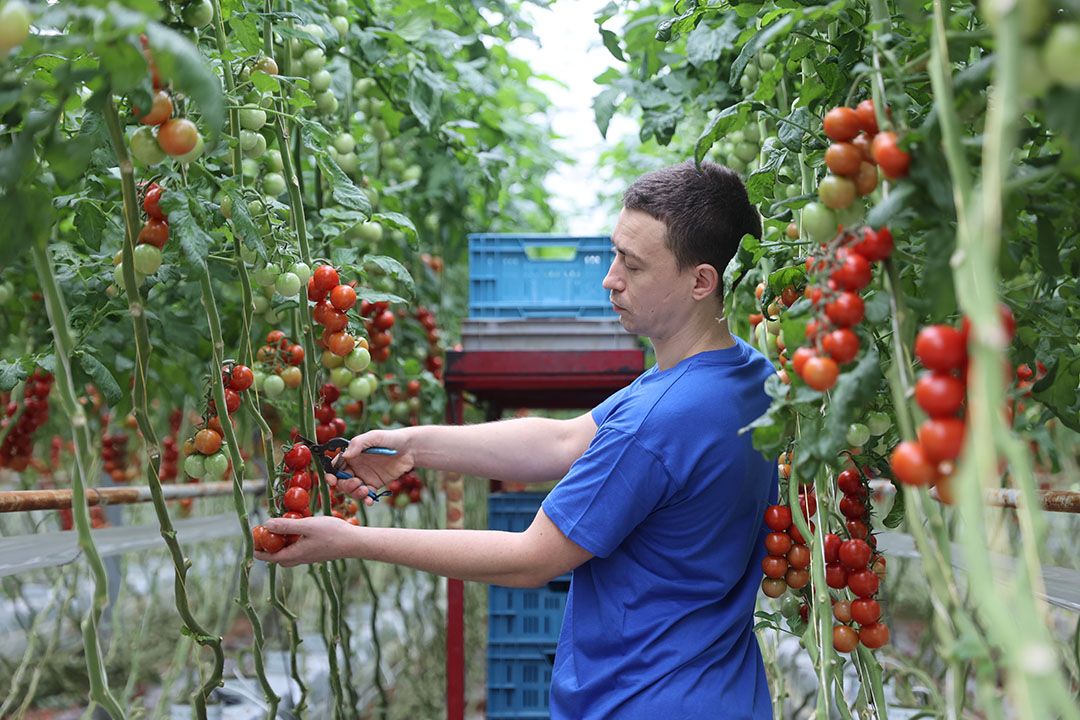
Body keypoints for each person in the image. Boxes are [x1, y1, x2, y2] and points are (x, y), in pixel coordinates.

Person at [256, 160, 777, 718]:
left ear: (702, 280)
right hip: (724, 694)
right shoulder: (744, 376)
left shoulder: (656, 421)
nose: (610, 278)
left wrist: (354, 540)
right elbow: (562, 440)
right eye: (615, 252)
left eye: (633, 264)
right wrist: (415, 445)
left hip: (640, 700)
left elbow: (530, 559)